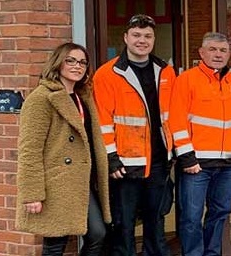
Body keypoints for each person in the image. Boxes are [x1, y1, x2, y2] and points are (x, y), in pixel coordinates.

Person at [16, 42, 111, 255]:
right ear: (58, 63)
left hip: (81, 181)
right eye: (71, 60)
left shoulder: (82, 97)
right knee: (55, 244)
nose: (78, 66)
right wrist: (32, 193)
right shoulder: (40, 99)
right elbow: (29, 150)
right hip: (55, 183)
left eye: (83, 62)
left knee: (97, 234)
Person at [93, 14, 175, 256]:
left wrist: (176, 150)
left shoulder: (166, 72)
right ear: (126, 37)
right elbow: (102, 122)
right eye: (137, 35)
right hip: (125, 164)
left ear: (154, 39)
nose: (142, 40)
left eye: (148, 36)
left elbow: (173, 115)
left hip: (159, 161)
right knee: (123, 224)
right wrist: (111, 157)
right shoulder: (107, 74)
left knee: (156, 220)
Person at [169, 32, 231, 256]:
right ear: (201, 53)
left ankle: (212, 253)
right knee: (191, 216)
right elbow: (176, 120)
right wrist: (187, 156)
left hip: (226, 163)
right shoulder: (187, 79)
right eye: (213, 50)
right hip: (196, 164)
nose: (218, 54)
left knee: (220, 212)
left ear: (229, 54)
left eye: (223, 50)